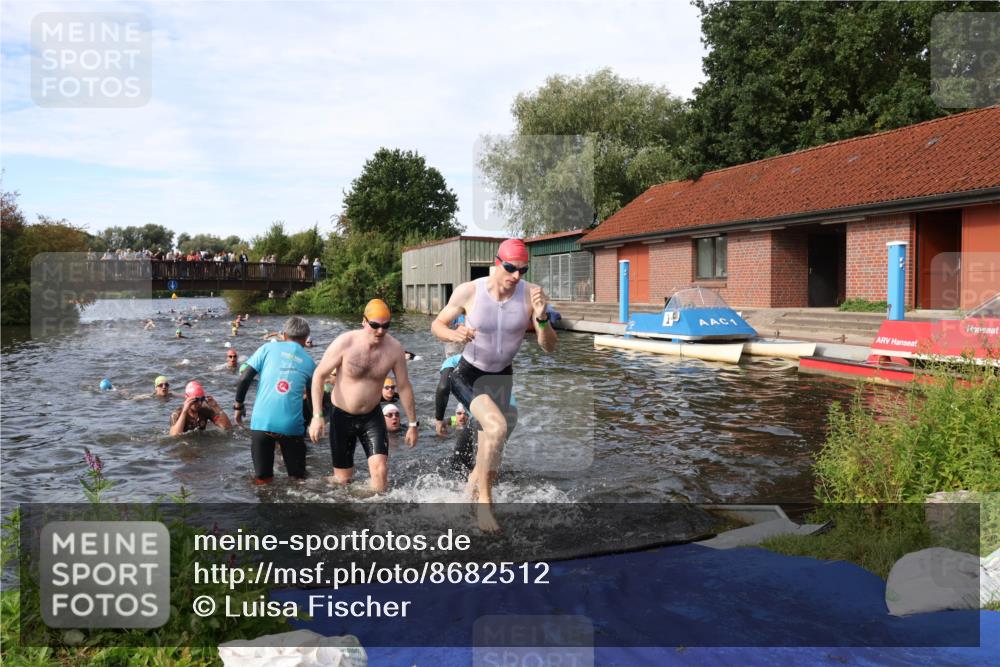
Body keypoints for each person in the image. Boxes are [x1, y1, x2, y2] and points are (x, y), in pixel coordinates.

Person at [431, 238, 556, 532]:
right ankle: (484, 505)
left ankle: (467, 495)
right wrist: (454, 335)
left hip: (501, 377)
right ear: (497, 262)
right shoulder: (470, 291)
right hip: (467, 374)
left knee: (491, 449)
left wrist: (542, 319)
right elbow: (437, 325)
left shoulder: (531, 295)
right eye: (511, 268)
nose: (516, 276)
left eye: (523, 270)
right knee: (497, 427)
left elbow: (549, 347)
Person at [308, 299, 417, 493]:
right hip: (341, 416)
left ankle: (376, 509)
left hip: (371, 416)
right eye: (375, 325)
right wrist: (317, 416)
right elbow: (319, 376)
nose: (380, 331)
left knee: (381, 472)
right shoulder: (345, 342)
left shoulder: (394, 349)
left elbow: (404, 386)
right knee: (343, 481)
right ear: (364, 321)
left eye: (386, 326)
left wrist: (412, 424)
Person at [233, 316, 317, 484]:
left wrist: (238, 406)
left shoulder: (267, 348)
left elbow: (244, 378)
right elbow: (312, 400)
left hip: (262, 422)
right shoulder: (310, 363)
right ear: (306, 338)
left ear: (284, 335)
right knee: (298, 480)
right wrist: (313, 421)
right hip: (291, 426)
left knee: (263, 480)